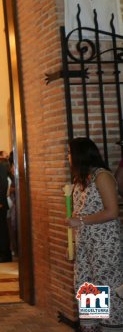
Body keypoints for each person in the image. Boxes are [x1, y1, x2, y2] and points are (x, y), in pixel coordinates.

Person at [66, 137, 123, 331]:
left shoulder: (102, 176)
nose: (68, 157)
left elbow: (112, 211)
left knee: (105, 284)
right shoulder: (82, 178)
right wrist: (72, 243)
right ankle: (94, 326)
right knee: (89, 285)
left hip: (104, 243)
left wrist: (80, 220)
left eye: (69, 153)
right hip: (86, 243)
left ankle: (111, 326)